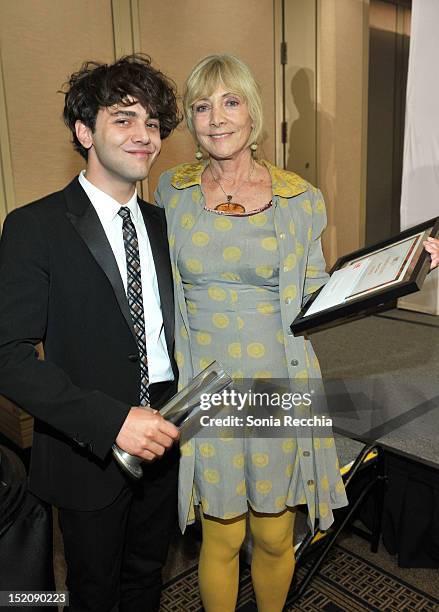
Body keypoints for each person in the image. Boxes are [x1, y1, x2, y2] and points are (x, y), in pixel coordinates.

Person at [154, 53, 348, 612]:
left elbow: (318, 294)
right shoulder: (172, 192)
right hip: (204, 387)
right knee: (221, 536)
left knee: (272, 534)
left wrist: (399, 271)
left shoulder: (299, 198)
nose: (217, 118)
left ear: (253, 113)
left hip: (276, 382)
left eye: (230, 102)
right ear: (189, 122)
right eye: (202, 106)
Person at [0, 55, 181, 612]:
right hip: (89, 450)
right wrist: (112, 421)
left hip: (168, 436)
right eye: (124, 119)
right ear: (84, 131)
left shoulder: (162, 222)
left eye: (152, 123)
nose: (144, 136)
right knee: (94, 591)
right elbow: (8, 357)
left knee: (147, 579)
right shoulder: (35, 225)